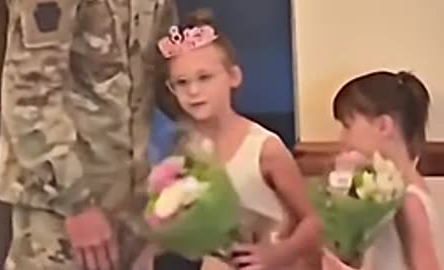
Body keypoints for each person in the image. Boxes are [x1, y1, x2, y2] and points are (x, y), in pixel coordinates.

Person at [0, 0, 180, 269]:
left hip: (134, 206)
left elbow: (167, 72)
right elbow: (30, 99)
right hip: (62, 215)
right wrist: (77, 205)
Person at [156, 8, 323, 270]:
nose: (194, 91)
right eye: (182, 82)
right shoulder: (185, 147)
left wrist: (278, 255)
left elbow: (313, 222)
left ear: (233, 77)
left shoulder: (264, 148)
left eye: (205, 78)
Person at [323, 71, 442, 270]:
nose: (342, 138)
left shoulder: (408, 199)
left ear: (383, 126)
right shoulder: (384, 189)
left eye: (347, 126)